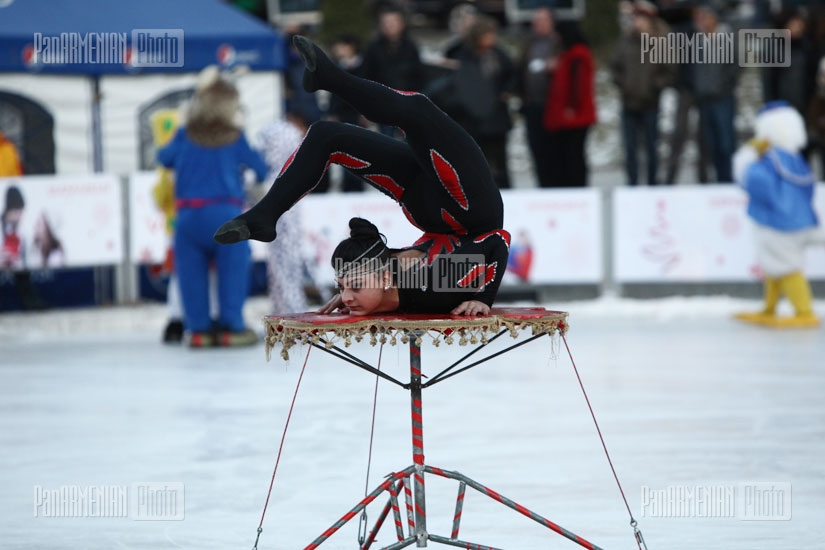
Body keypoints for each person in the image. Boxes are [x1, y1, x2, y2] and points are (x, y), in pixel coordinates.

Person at [215, 36, 511, 316]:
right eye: (347, 288)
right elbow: (498, 240)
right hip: (470, 209)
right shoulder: (433, 289)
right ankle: (332, 79)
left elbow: (378, 270)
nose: (346, 298)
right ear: (383, 280)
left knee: (326, 134)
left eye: (344, 288)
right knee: (418, 110)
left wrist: (353, 288)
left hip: (427, 209)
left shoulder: (389, 283)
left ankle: (265, 215)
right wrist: (483, 299)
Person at [157, 66, 268, 347]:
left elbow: (164, 157)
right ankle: (232, 327)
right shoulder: (234, 135)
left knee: (191, 275)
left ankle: (198, 331)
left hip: (189, 216)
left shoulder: (186, 134)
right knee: (232, 273)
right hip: (225, 213)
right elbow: (260, 169)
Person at [732, 101, 824, 328]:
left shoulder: (767, 159)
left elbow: (754, 182)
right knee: (773, 265)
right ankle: (769, 306)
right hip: (800, 221)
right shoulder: (796, 160)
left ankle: (804, 310)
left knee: (786, 266)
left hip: (778, 223)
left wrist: (749, 157)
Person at [447, 15, 516, 189]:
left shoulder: (498, 55)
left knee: (500, 161)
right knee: (478, 161)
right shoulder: (464, 57)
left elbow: (511, 75)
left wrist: (505, 91)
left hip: (496, 118)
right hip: (474, 119)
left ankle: (505, 191)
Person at [611, 1, 675, 186]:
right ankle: (632, 183)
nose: (637, 22)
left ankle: (652, 183)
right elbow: (615, 67)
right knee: (630, 149)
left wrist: (655, 87)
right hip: (628, 103)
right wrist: (623, 85)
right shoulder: (626, 41)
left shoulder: (660, 41)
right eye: (635, 18)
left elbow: (670, 71)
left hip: (650, 103)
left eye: (640, 18)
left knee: (650, 147)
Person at [255, 106, 311, 315]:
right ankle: (293, 312)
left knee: (276, 264)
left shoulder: (268, 130)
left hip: (266, 195)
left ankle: (280, 312)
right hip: (288, 195)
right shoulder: (294, 134)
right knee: (289, 262)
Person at [542, 20, 597, 187]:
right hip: (568, 114)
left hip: (574, 115)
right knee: (567, 155)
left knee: (574, 155)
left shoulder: (577, 54)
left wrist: (572, 106)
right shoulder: (567, 54)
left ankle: (577, 186)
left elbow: (578, 84)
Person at [690, 4, 738, 183]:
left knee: (726, 143)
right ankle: (718, 180)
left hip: (722, 98)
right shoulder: (697, 40)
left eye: (706, 17)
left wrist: (724, 88)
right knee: (711, 145)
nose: (702, 21)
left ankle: (730, 179)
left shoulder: (726, 37)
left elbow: (735, 67)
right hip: (704, 99)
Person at [362, 6, 426, 138]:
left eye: (393, 22)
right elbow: (366, 77)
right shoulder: (373, 49)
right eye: (385, 23)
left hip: (408, 103)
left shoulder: (411, 47)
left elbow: (419, 75)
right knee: (388, 141)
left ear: (401, 24)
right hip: (383, 104)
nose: (389, 26)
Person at [517, 6, 561, 188]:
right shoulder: (529, 44)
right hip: (532, 106)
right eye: (536, 21)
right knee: (537, 150)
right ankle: (542, 187)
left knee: (555, 151)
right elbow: (519, 69)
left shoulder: (558, 43)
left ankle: (557, 187)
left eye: (542, 20)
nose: (538, 25)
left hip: (553, 106)